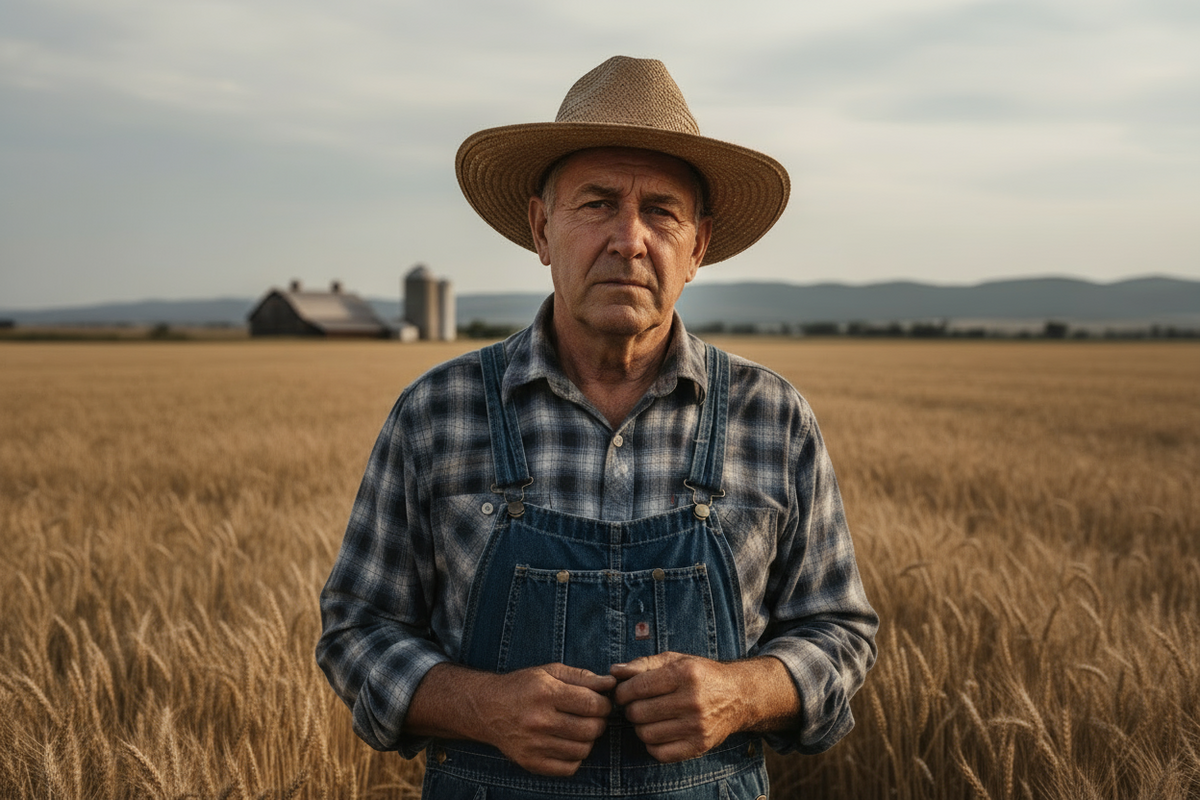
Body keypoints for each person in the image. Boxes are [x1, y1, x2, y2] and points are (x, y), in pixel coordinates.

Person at [317, 55, 878, 799]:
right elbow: (357, 630)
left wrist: (743, 692)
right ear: (541, 228)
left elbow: (838, 630)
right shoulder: (437, 412)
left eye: (661, 212)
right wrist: (482, 707)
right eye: (597, 203)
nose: (630, 238)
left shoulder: (772, 417)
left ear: (698, 247)